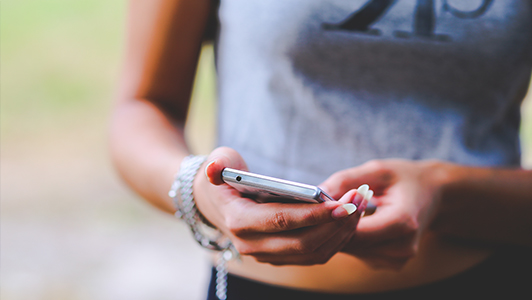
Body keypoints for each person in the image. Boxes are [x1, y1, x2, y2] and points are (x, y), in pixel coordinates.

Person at [110, 0, 532, 299]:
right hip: (255, 289)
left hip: (486, 280)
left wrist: (443, 192)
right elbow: (144, 107)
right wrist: (198, 191)